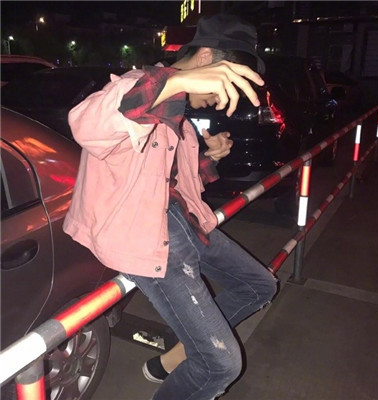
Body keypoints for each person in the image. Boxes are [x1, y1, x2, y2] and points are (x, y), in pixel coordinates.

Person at [63, 13, 278, 400]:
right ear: (205, 58)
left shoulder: (181, 116)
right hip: (144, 234)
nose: (218, 99)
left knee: (259, 285)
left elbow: (165, 181)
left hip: (182, 222)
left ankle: (175, 358)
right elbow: (85, 126)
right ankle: (198, 358)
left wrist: (210, 159)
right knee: (222, 364)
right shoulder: (137, 86)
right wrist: (174, 82)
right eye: (222, 83)